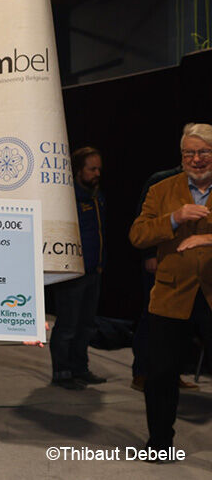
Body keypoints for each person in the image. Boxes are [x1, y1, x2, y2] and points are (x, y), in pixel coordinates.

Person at [129, 122, 212, 458]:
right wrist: (175, 219)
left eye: (204, 151)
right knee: (161, 374)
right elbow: (138, 235)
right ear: (181, 156)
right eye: (189, 152)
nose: (196, 159)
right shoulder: (160, 190)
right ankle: (160, 443)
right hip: (170, 296)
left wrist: (207, 237)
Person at [48, 147, 107, 390]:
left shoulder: (96, 196)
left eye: (99, 169)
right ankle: (62, 372)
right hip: (72, 271)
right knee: (68, 325)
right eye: (92, 169)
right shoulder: (68, 197)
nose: (97, 173)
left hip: (94, 270)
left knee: (86, 324)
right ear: (78, 170)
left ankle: (80, 368)